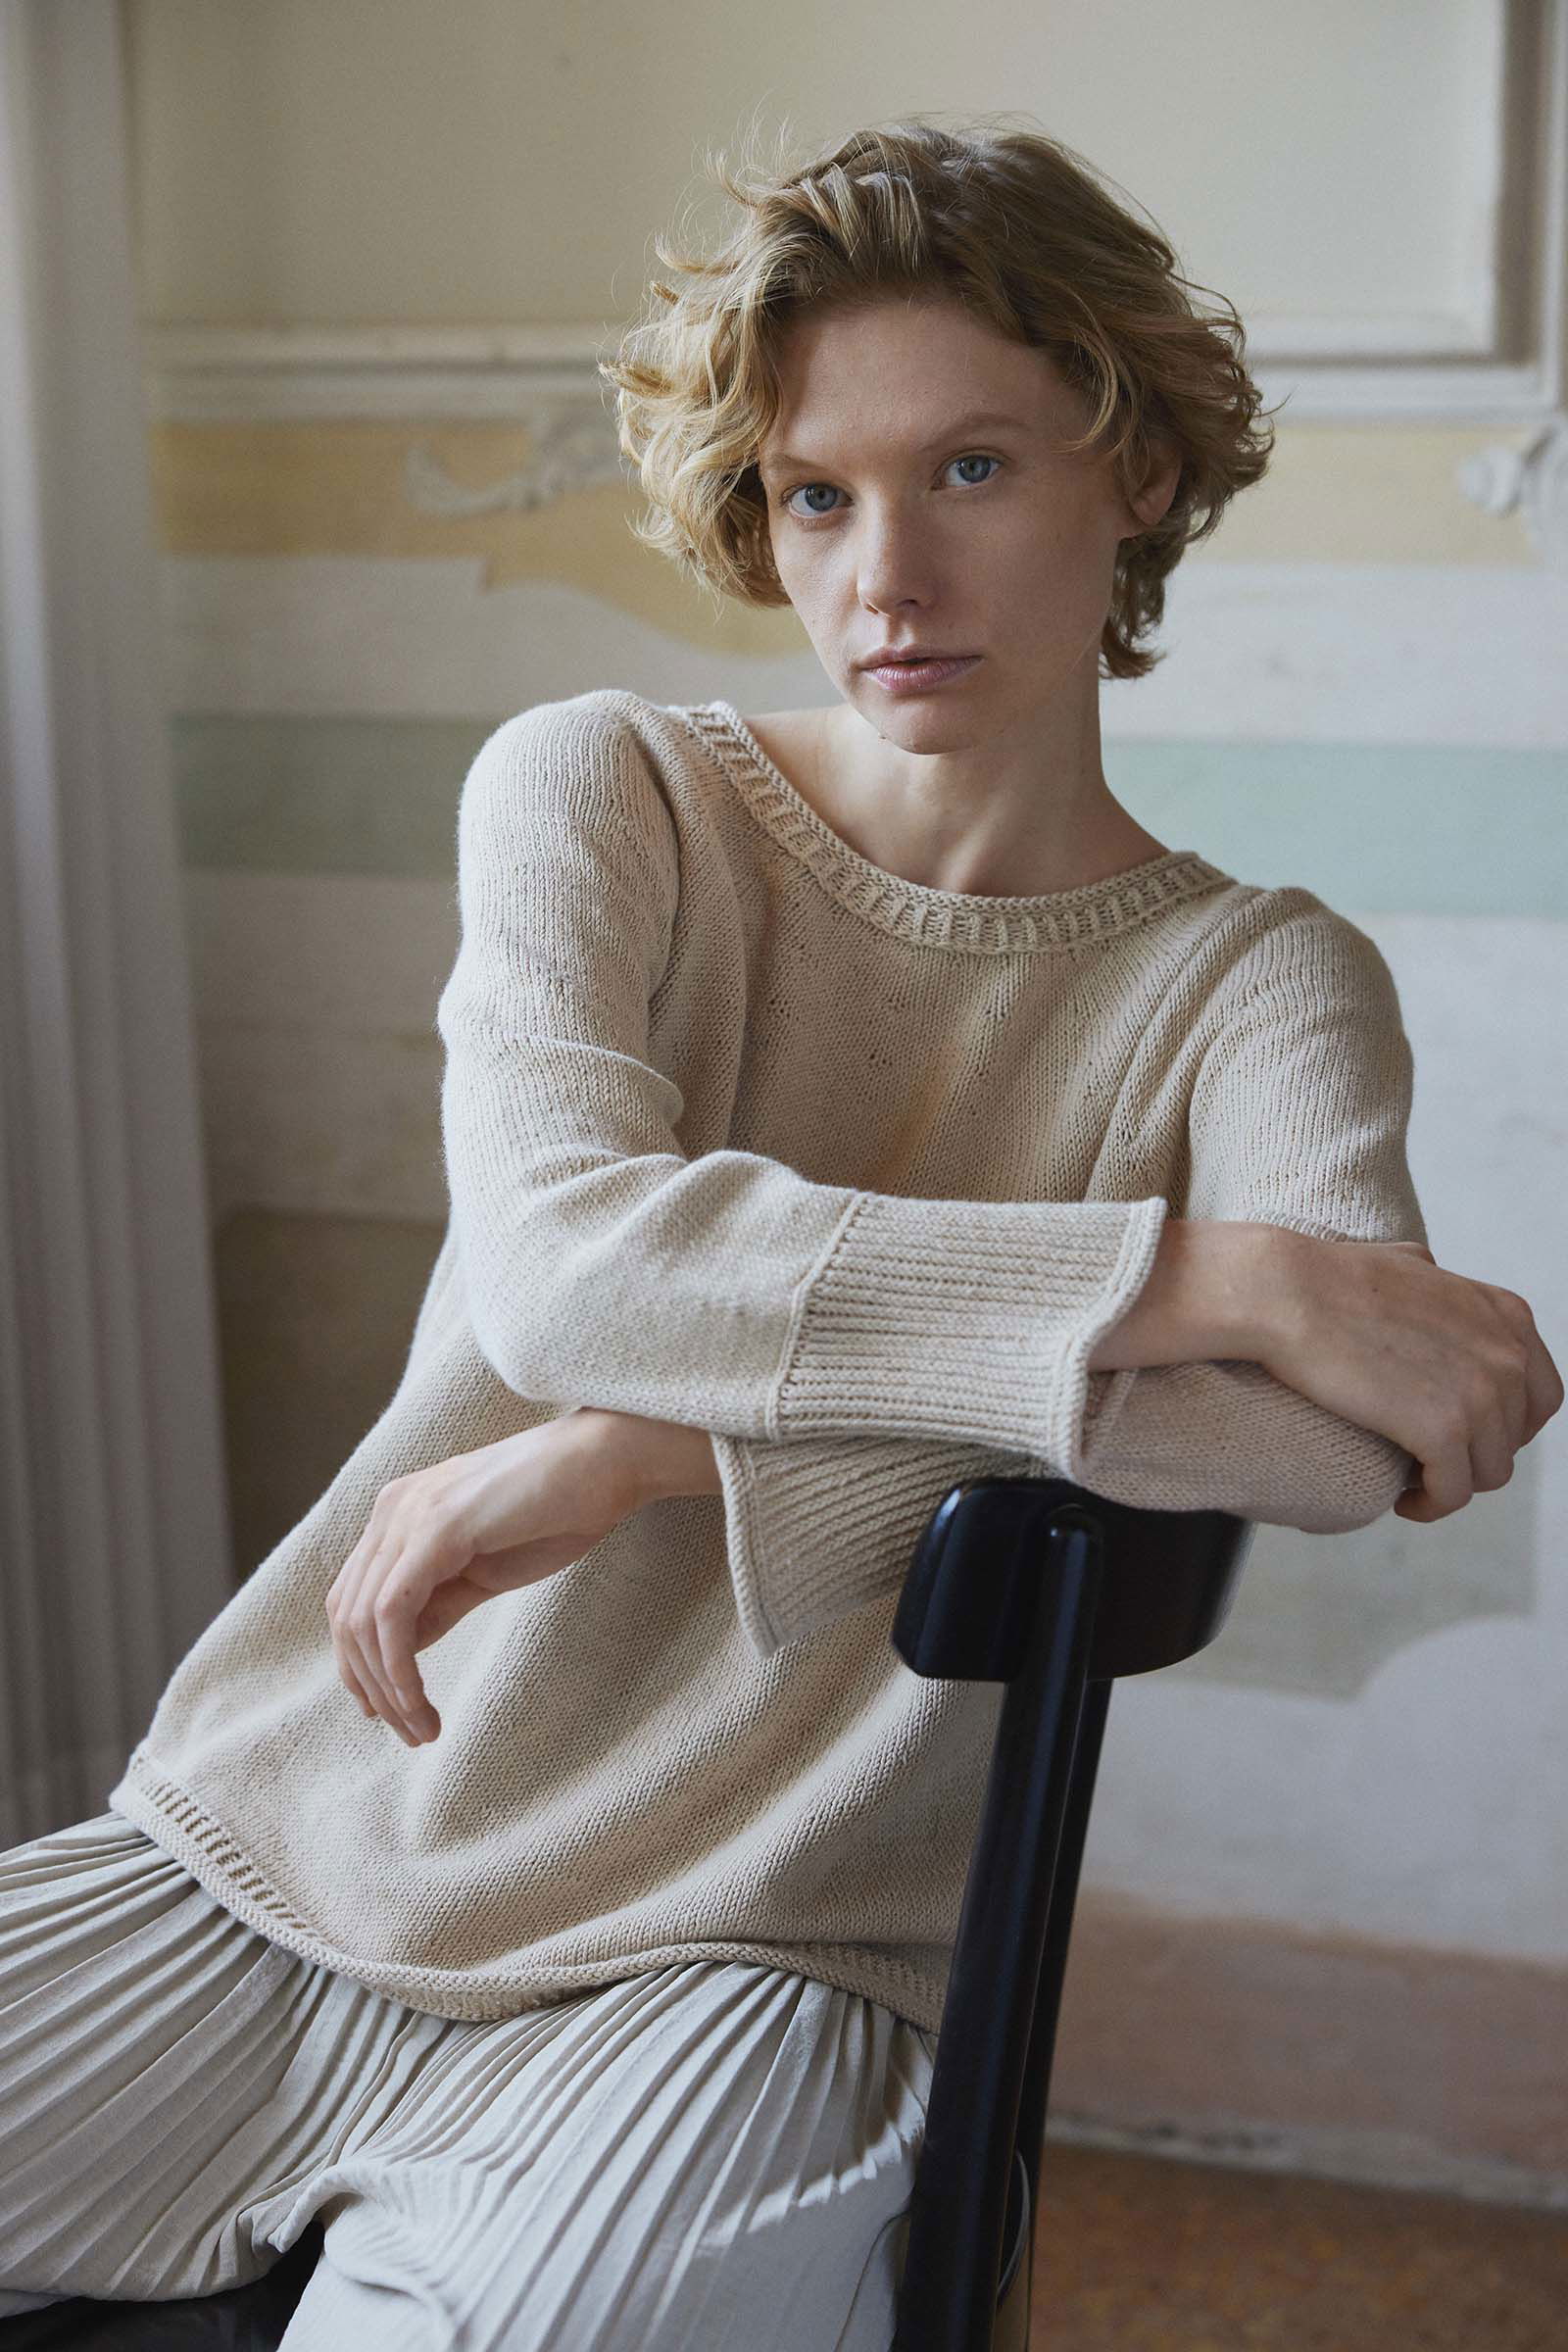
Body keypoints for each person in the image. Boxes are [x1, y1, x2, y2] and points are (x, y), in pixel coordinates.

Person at [1, 114, 1559, 2352]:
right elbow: (573, 1270)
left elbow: (1332, 1446)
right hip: (297, 1837)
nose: (883, 576)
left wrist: (668, 1454)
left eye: (970, 470)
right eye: (816, 494)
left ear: (1134, 472)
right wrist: (1220, 1283)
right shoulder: (602, 788)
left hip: (766, 1944)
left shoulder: (1259, 985)